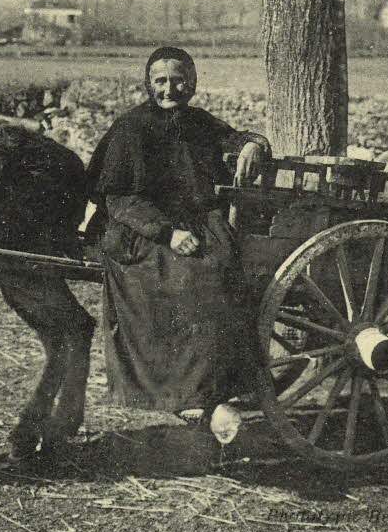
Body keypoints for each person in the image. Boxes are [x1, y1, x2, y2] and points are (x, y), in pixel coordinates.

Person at [84, 46, 271, 444]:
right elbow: (117, 198)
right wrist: (166, 232)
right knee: (189, 276)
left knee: (224, 268)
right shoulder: (131, 128)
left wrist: (254, 144)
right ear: (149, 84)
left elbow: (234, 138)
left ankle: (218, 386)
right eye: (161, 81)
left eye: (178, 80)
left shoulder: (197, 122)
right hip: (137, 229)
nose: (170, 89)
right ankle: (185, 394)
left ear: (193, 81)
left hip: (194, 223)